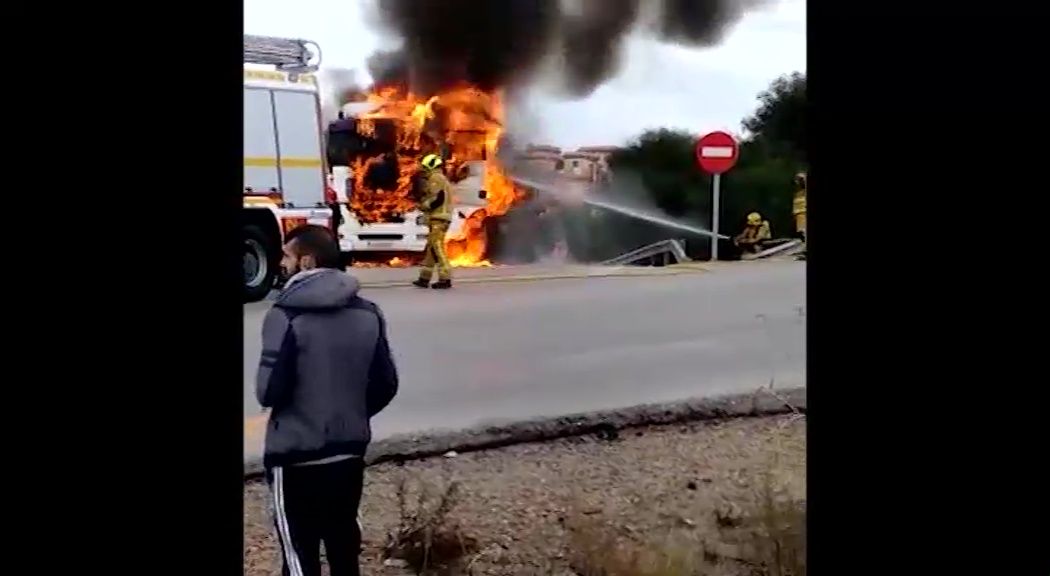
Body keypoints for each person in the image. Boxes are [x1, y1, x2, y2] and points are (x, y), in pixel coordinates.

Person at [256, 224, 399, 576]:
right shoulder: (368, 312)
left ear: (306, 261)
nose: (281, 264)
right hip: (348, 452)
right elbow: (385, 383)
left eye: (287, 257)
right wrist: (350, 412)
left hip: (295, 457)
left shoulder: (285, 315)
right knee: (343, 548)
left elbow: (269, 390)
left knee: (299, 555)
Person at [411, 153, 454, 289]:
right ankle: (424, 278)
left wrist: (424, 205)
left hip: (439, 218)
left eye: (425, 167)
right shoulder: (439, 177)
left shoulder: (436, 178)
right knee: (431, 249)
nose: (423, 170)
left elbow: (437, 198)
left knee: (437, 248)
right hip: (438, 218)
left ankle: (445, 278)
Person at [792, 172, 807, 260]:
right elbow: (795, 206)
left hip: (805, 214)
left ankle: (805, 251)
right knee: (802, 234)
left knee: (805, 234)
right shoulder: (798, 194)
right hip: (799, 216)